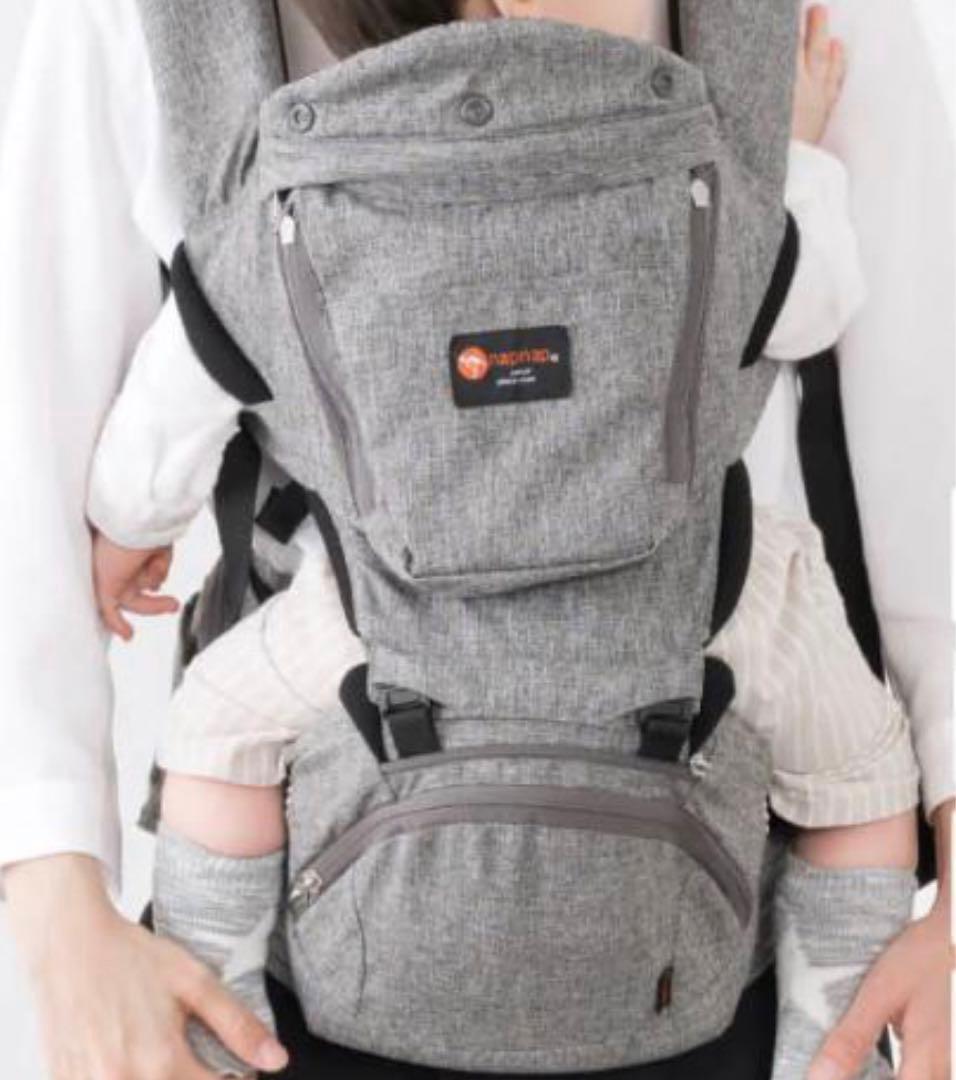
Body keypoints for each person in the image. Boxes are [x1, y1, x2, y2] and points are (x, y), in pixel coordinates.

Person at [0, 1, 950, 1079]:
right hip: (685, 781)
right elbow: (816, 300)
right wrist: (59, 917)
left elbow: (195, 352)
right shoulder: (137, 22)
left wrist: (130, 516)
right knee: (854, 770)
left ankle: (220, 976)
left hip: (364, 729)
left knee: (220, 735)